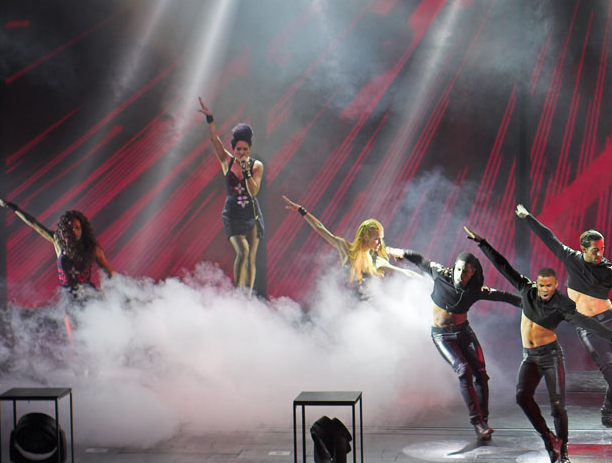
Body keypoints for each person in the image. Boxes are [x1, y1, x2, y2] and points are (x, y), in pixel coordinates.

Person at [472, 226, 612, 463]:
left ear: (555, 285)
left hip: (551, 357)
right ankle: (549, 439)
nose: (545, 290)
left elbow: (585, 321)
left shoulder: (562, 304)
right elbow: (503, 266)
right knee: (522, 397)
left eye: (550, 286)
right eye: (542, 286)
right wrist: (483, 243)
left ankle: (564, 448)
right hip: (530, 357)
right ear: (537, 285)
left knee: (557, 404)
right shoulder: (527, 290)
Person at [516, 203, 612, 433]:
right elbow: (549, 238)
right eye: (594, 250)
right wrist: (528, 217)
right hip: (588, 328)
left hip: (610, 321)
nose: (600, 254)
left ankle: (608, 413)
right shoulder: (571, 258)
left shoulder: (609, 270)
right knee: (611, 369)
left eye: (602, 249)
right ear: (583, 249)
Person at [413, 248, 521, 441]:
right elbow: (420, 259)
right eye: (459, 270)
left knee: (481, 375)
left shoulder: (474, 290)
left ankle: (484, 421)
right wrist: (399, 252)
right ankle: (477, 422)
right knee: (463, 370)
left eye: (466, 272)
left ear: (472, 274)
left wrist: (530, 303)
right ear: (454, 267)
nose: (461, 275)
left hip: (463, 332)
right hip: (442, 336)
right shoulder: (440, 274)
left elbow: (504, 296)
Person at [283, 199, 422, 297]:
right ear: (366, 237)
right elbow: (320, 228)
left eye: (381, 239)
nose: (380, 243)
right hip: (342, 306)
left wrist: (427, 279)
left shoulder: (376, 261)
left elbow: (403, 273)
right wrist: (302, 211)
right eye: (377, 239)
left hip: (364, 310)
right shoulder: (345, 248)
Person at [197, 97, 264, 292]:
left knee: (251, 257)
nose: (241, 152)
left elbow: (253, 191)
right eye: (238, 149)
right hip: (233, 214)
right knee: (242, 251)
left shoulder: (256, 166)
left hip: (251, 214)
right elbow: (214, 139)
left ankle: (247, 298)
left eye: (245, 149)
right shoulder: (226, 161)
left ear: (249, 149)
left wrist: (246, 171)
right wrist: (210, 118)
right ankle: (236, 294)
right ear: (233, 149)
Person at [0, 196, 111, 297]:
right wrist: (12, 207)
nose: (73, 231)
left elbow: (111, 276)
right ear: (64, 230)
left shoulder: (92, 248)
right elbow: (34, 224)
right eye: (70, 228)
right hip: (70, 299)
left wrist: (117, 296)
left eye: (77, 227)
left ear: (82, 230)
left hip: (89, 297)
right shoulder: (58, 243)